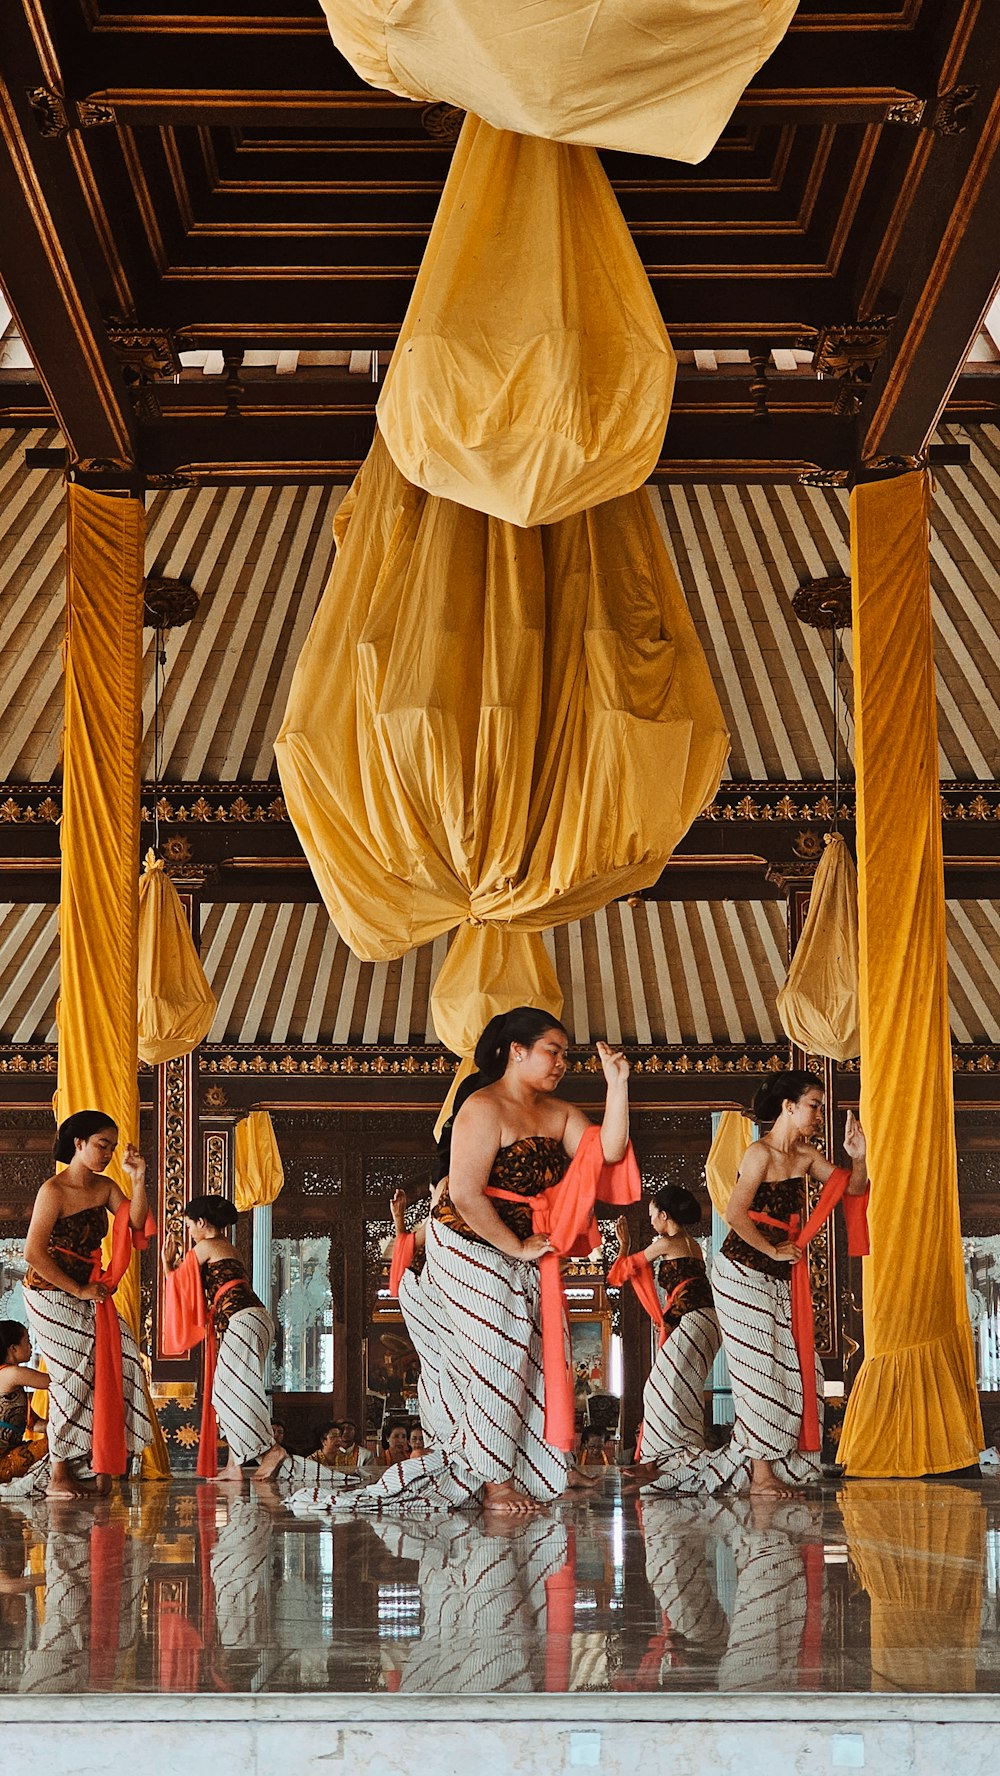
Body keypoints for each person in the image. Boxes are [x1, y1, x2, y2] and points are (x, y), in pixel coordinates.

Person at [289, 1007, 638, 1519]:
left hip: (521, 1243)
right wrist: (516, 1248)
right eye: (553, 1051)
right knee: (500, 1351)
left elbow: (607, 1151)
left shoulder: (559, 1112)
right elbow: (469, 1195)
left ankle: (542, 1467)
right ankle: (494, 1480)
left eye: (567, 1054)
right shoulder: (482, 1106)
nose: (563, 1062)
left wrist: (618, 1085)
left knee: (540, 1349)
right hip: (467, 1240)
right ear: (517, 1051)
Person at [642, 1071, 868, 1498]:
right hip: (738, 1272)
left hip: (777, 1276)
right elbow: (735, 1214)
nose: (820, 1114)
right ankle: (761, 1473)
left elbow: (850, 1188)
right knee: (757, 1372)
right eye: (814, 1105)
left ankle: (791, 1466)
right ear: (789, 1107)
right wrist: (772, 1249)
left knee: (802, 1371)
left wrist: (857, 1156)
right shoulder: (759, 1153)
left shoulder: (805, 1155)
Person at [22, 1110, 154, 1499]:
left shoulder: (105, 1186)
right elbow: (33, 1252)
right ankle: (60, 1470)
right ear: (78, 1143)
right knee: (73, 1375)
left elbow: (137, 1222)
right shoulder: (53, 1191)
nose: (107, 1153)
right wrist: (78, 1291)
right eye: (101, 1145)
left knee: (126, 1361)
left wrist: (138, 1178)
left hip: (88, 1288)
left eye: (112, 1147)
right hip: (48, 1291)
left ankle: (103, 1460)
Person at [162, 1192, 279, 1481]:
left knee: (234, 1392)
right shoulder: (228, 1247)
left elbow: (178, 1287)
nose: (189, 1232)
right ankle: (234, 1465)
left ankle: (271, 1452)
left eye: (190, 1225)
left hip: (242, 1320)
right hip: (251, 1319)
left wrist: (167, 1262)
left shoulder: (206, 1246)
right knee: (226, 1393)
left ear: (201, 1222)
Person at [610, 1185, 721, 1486]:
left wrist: (626, 1244)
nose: (650, 1221)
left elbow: (624, 1269)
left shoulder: (666, 1242)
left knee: (659, 1390)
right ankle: (665, 1459)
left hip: (693, 1320)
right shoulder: (692, 1244)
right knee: (680, 1390)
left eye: (651, 1215)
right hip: (707, 1321)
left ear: (663, 1215)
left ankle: (670, 1458)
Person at [0, 1321, 49, 1496]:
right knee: (60, 1448)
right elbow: (54, 1382)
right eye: (27, 1341)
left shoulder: (13, 1377)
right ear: (13, 1348)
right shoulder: (11, 1374)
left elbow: (33, 1424)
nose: (30, 1346)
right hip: (3, 1461)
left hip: (10, 1453)